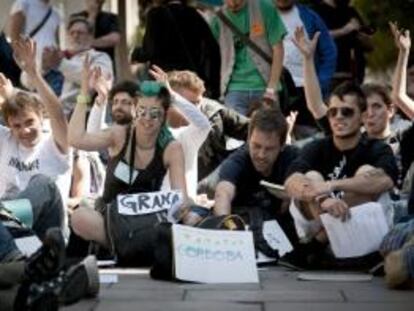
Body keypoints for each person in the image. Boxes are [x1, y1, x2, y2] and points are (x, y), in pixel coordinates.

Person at [68, 57, 188, 265]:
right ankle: (125, 249)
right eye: (142, 111)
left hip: (147, 223)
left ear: (164, 116)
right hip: (109, 219)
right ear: (134, 110)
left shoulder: (172, 148)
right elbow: (76, 139)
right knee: (79, 218)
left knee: (193, 215)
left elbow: (182, 198)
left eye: (155, 114)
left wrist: (188, 209)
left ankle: (130, 249)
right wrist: (84, 94)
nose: (147, 119)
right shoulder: (119, 134)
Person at [283, 80, 397, 267]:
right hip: (318, 218)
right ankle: (322, 245)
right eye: (333, 112)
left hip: (362, 238)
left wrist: (332, 186)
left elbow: (385, 180)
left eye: (347, 112)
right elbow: (291, 181)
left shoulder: (377, 148)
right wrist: (323, 199)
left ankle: (318, 243)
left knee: (367, 173)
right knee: (310, 176)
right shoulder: (316, 147)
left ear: (362, 116)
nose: (338, 117)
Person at [0, 37, 71, 237]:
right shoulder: (6, 139)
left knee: (41, 183)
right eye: (17, 125)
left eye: (29, 122)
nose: (24, 131)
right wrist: (7, 98)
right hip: (15, 238)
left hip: (47, 231)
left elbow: (57, 112)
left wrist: (33, 73)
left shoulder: (55, 142)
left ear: (41, 117)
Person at [214, 107, 300, 255]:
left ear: (282, 146)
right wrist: (228, 236)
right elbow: (223, 193)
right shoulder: (237, 161)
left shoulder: (295, 158)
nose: (261, 155)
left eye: (269, 149)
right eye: (256, 146)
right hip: (245, 224)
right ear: (248, 139)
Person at [166, 69, 249, 182]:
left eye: (198, 102)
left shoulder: (213, 111)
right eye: (189, 104)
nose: (196, 109)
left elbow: (251, 130)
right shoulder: (153, 124)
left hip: (212, 182)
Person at [210, 0, 286, 115]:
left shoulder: (265, 7)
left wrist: (272, 88)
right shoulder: (217, 18)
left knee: (269, 130)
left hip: (264, 85)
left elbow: (278, 49)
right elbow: (212, 58)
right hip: (233, 88)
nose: (233, 4)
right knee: (234, 131)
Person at [274, 0, 337, 138]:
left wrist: (320, 82)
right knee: (278, 135)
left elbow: (329, 51)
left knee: (313, 135)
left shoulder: (309, 16)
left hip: (307, 89)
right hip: (276, 90)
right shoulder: (262, 16)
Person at [137, 0, 221, 99]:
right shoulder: (194, 14)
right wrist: (214, 88)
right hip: (190, 81)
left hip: (164, 79)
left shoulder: (156, 14)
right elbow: (213, 50)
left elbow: (149, 50)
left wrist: (136, 55)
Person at [42, 17, 114, 117]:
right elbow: (27, 83)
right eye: (72, 33)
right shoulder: (55, 55)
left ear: (90, 37)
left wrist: (61, 64)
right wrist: (42, 67)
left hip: (77, 114)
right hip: (46, 112)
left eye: (80, 33)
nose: (75, 36)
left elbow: (98, 80)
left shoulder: (99, 57)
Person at [313, 0, 373, 84]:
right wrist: (344, 30)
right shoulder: (315, 12)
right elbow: (316, 37)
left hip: (355, 74)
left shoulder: (350, 11)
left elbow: (370, 43)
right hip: (330, 74)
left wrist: (362, 36)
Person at [70, 0, 121, 64]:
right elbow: (75, 37)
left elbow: (115, 39)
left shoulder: (111, 18)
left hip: (104, 64)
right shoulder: (76, 17)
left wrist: (90, 43)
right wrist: (92, 15)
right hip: (81, 64)